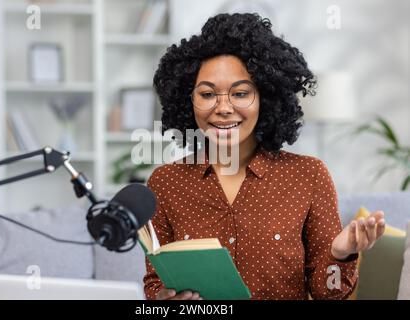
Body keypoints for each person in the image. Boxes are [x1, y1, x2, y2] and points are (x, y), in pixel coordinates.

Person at [143, 12, 386, 300]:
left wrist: (340, 254)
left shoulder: (309, 176)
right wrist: (163, 300)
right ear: (188, 100)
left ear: (266, 98)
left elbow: (328, 294)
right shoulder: (165, 183)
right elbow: (154, 285)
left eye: (241, 93)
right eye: (208, 94)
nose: (223, 108)